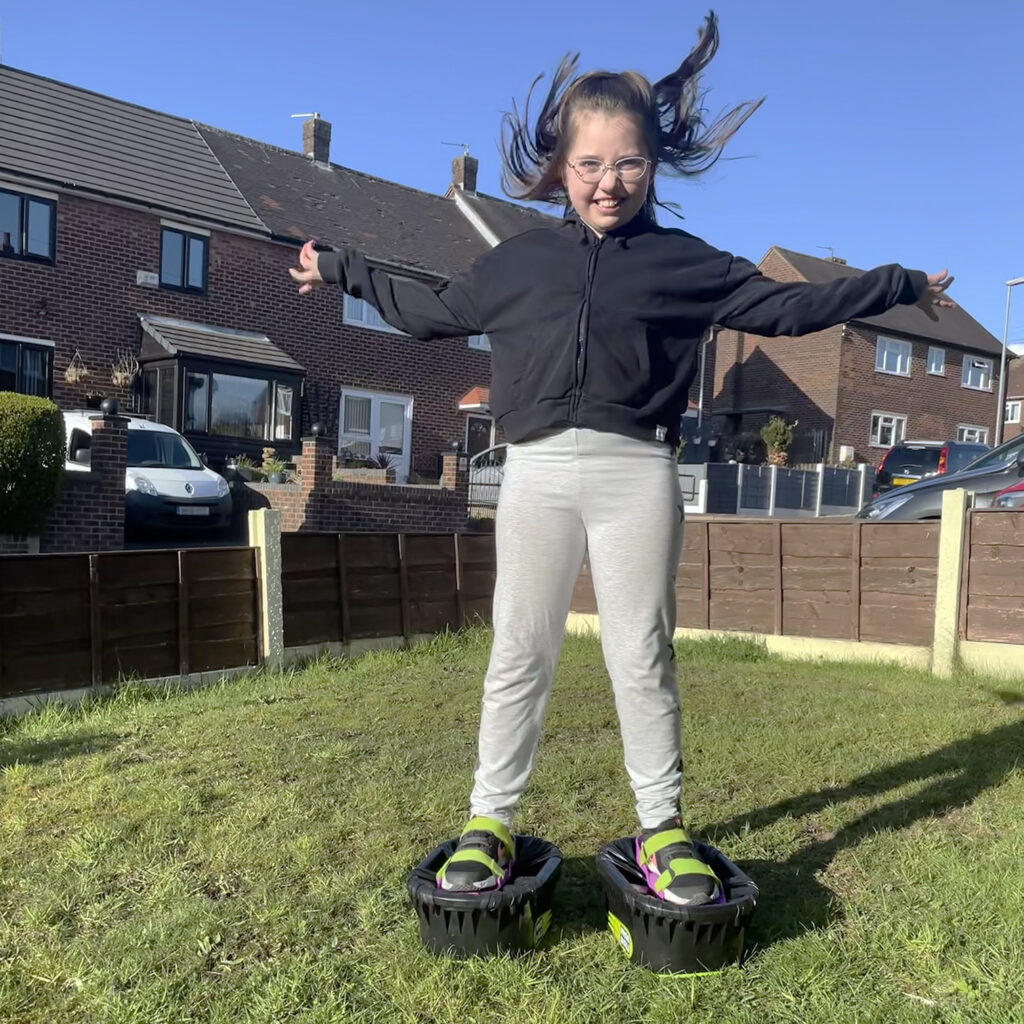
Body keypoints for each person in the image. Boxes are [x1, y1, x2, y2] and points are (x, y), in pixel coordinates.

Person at [291, 11, 954, 906]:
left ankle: (663, 829)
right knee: (519, 649)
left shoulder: (686, 265)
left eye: (628, 163)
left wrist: (899, 284)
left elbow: (793, 309)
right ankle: (490, 823)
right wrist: (345, 269)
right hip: (532, 474)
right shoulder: (518, 261)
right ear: (561, 168)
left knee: (641, 652)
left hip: (636, 473)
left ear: (654, 163)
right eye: (590, 164)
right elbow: (431, 310)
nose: (609, 183)